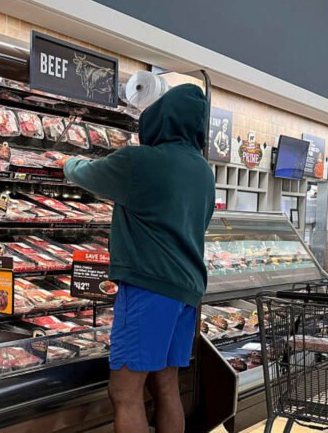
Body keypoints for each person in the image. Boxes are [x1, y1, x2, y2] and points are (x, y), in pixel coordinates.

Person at [58, 84, 215, 433]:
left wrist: (67, 162)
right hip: (187, 291)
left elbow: (87, 173)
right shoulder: (203, 172)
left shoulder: (141, 161)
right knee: (166, 384)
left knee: (125, 391)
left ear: (161, 118)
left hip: (149, 285)